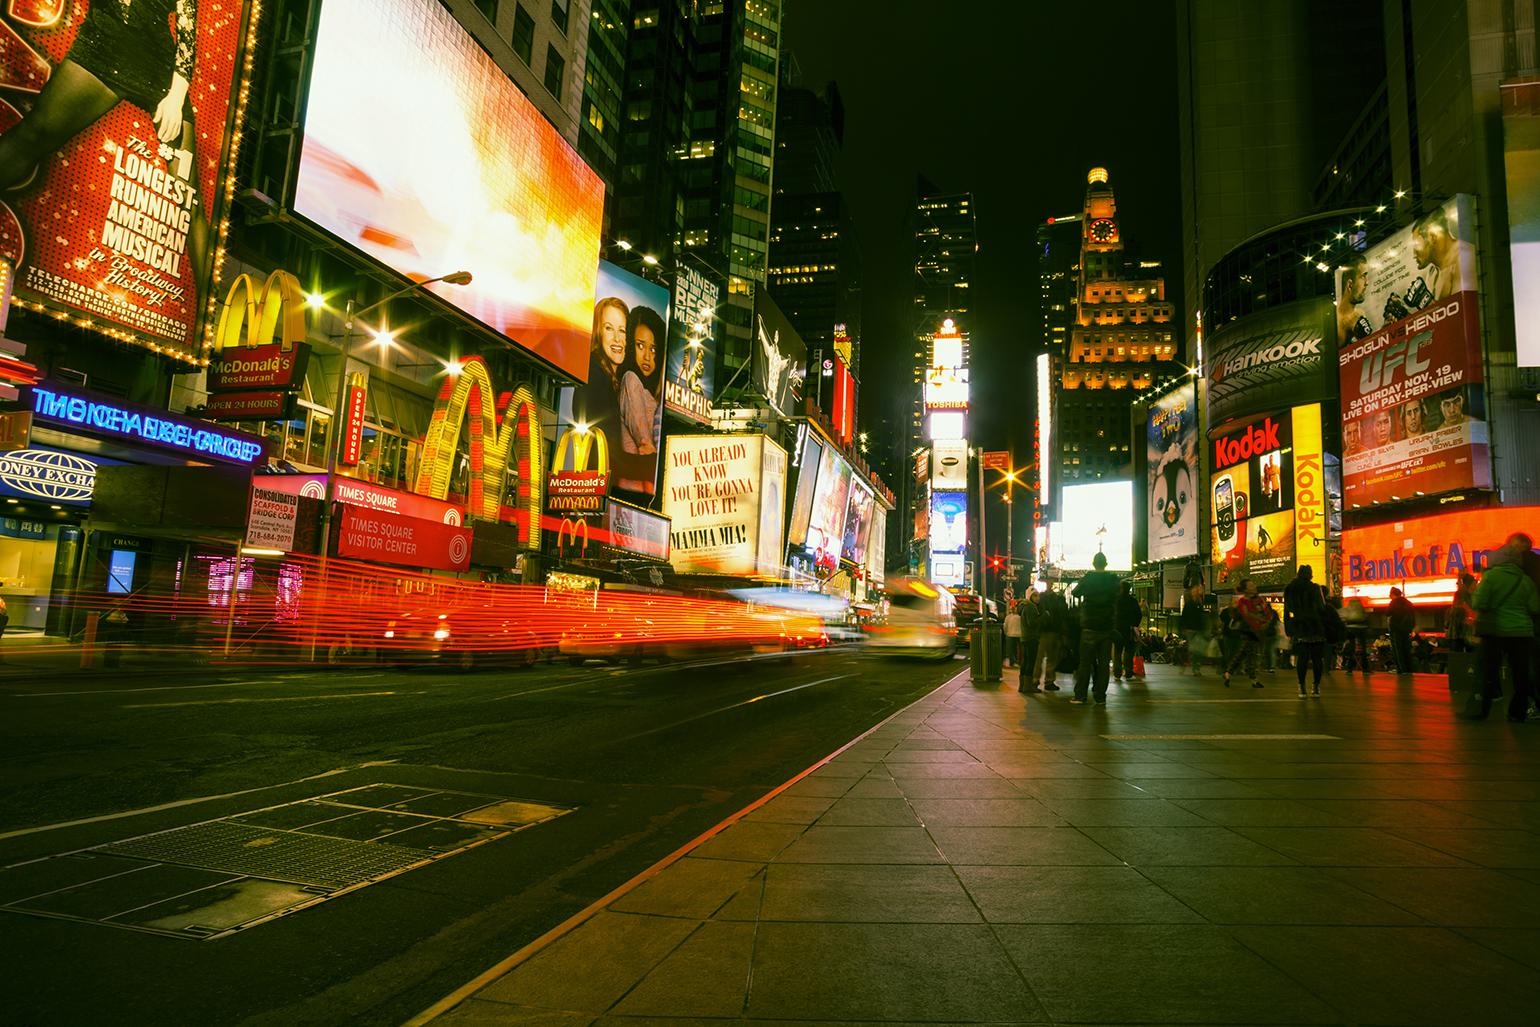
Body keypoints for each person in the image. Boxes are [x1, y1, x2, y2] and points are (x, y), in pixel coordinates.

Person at [0, 0, 211, 281]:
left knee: (189, 200)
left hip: (159, 71)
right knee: (33, 135)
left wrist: (176, 97)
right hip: (103, 46)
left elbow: (187, 31)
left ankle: (209, 305)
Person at [1467, 543, 1540, 721]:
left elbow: (1479, 604)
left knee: (1487, 670)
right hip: (1522, 632)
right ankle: (1518, 712)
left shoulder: (1490, 576)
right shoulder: (1524, 579)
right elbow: (1534, 607)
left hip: (1496, 631)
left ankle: (1481, 709)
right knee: (1520, 674)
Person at [616, 306, 666, 493]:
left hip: (643, 490)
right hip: (632, 489)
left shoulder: (650, 394)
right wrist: (655, 455)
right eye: (640, 345)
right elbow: (645, 443)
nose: (647, 356)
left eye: (653, 349)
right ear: (630, 345)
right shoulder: (631, 379)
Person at [1071, 552, 1119, 704]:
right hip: (1106, 626)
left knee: (1085, 662)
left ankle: (1080, 696)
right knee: (1104, 664)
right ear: (1106, 564)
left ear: (1093, 564)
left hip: (1089, 625)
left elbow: (1075, 592)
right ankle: (1100, 696)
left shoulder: (1088, 578)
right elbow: (1118, 593)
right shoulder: (1112, 579)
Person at [1284, 566, 1328, 696]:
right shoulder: (1315, 588)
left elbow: (1288, 609)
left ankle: (1301, 686)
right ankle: (1316, 687)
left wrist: (1289, 628)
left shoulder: (1291, 588)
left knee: (1302, 657)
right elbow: (1322, 607)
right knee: (1317, 658)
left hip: (1300, 625)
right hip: (1315, 625)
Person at [1224, 579, 1271, 688]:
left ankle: (1228, 673)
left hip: (1259, 631)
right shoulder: (1242, 602)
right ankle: (1254, 679)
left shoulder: (1260, 600)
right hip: (1249, 631)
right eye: (1250, 586)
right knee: (1251, 656)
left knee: (1242, 654)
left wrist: (1266, 623)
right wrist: (1235, 609)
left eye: (1253, 584)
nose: (1254, 587)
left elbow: (1267, 613)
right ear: (1245, 590)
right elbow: (1237, 617)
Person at [1033, 585, 1067, 691]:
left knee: (1039, 658)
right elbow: (1062, 615)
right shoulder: (1058, 599)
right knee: (1052, 658)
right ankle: (1049, 680)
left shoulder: (1040, 600)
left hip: (1043, 631)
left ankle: (1035, 680)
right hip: (1054, 630)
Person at [1336, 255, 1372, 345]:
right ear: (1350, 285)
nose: (1367, 282)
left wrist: (1386, 329)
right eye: (1363, 276)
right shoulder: (1335, 325)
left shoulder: (1360, 313)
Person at [1112, 580, 1142, 682]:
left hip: (1117, 629)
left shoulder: (1115, 600)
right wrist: (1134, 624)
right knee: (1128, 651)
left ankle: (1117, 673)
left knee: (1117, 651)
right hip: (1129, 629)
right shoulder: (1132, 601)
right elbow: (1138, 615)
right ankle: (1128, 673)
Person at [1179, 584, 1208, 676]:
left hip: (1196, 630)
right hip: (1192, 630)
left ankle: (1195, 667)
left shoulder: (1198, 604)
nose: (1198, 592)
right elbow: (1184, 617)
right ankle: (1196, 668)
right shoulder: (1191, 604)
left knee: (1196, 650)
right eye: (1196, 591)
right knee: (1195, 650)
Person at [1387, 586, 1416, 674]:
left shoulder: (1394, 602)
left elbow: (1388, 613)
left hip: (1396, 628)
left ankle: (1400, 668)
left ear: (1392, 594)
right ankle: (1408, 669)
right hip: (1406, 629)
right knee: (1406, 648)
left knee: (1397, 649)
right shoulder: (1407, 602)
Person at [1018, 591, 1042, 692]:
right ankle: (1028, 686)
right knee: (1030, 662)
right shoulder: (1029, 608)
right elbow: (1031, 623)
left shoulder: (1024, 607)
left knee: (1026, 661)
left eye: (1038, 596)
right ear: (1030, 596)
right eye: (1035, 596)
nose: (1037, 598)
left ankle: (1023, 685)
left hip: (1026, 637)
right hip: (1031, 637)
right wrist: (1043, 617)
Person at [1447, 572, 1477, 652]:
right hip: (1463, 632)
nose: (1475, 587)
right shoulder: (1464, 596)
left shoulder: (1461, 595)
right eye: (1474, 584)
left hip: (1459, 633)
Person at [1340, 597, 1371, 672]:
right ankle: (1365, 668)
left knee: (1351, 648)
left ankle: (1349, 668)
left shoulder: (1348, 610)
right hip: (1362, 629)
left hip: (1351, 629)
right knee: (1363, 648)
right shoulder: (1361, 610)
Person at [1003, 601, 1022, 670]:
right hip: (1019, 635)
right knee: (1020, 649)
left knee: (1011, 649)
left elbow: (1005, 626)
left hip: (1010, 634)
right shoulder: (1020, 617)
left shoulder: (1008, 617)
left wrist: (1007, 633)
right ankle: (1019, 661)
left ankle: (1012, 661)